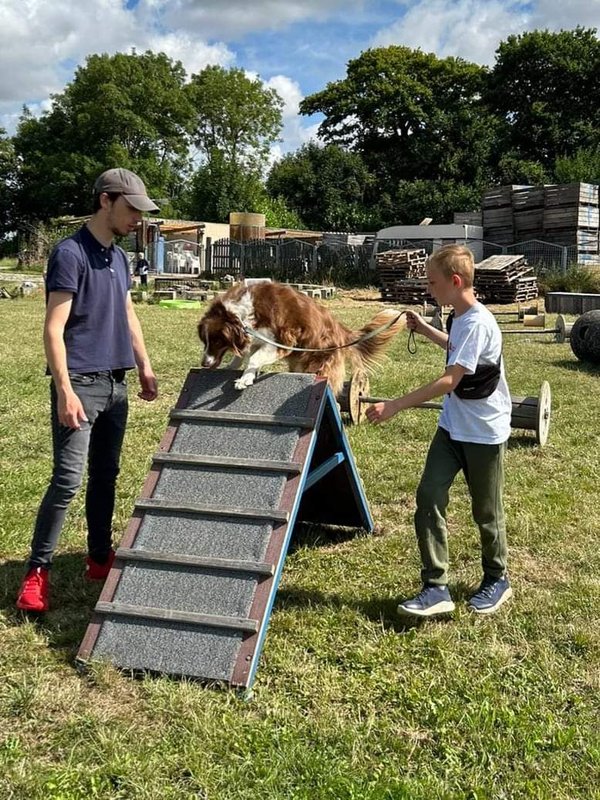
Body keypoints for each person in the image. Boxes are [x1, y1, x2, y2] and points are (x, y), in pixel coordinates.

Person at [16, 168, 160, 613]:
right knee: (67, 480)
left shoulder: (118, 257)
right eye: (132, 208)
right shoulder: (69, 254)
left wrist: (144, 365)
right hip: (80, 382)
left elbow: (128, 314)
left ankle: (99, 558)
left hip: (116, 384)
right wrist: (64, 389)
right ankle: (36, 574)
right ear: (106, 201)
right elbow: (53, 327)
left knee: (106, 477)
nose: (138, 217)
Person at [367, 244, 512, 617]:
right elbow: (458, 348)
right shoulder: (460, 318)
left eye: (433, 283)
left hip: (482, 432)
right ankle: (435, 588)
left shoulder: (479, 321)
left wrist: (396, 405)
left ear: (456, 281)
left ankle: (498, 579)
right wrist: (425, 328)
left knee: (486, 511)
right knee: (429, 497)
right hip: (452, 428)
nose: (429, 289)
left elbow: (451, 379)